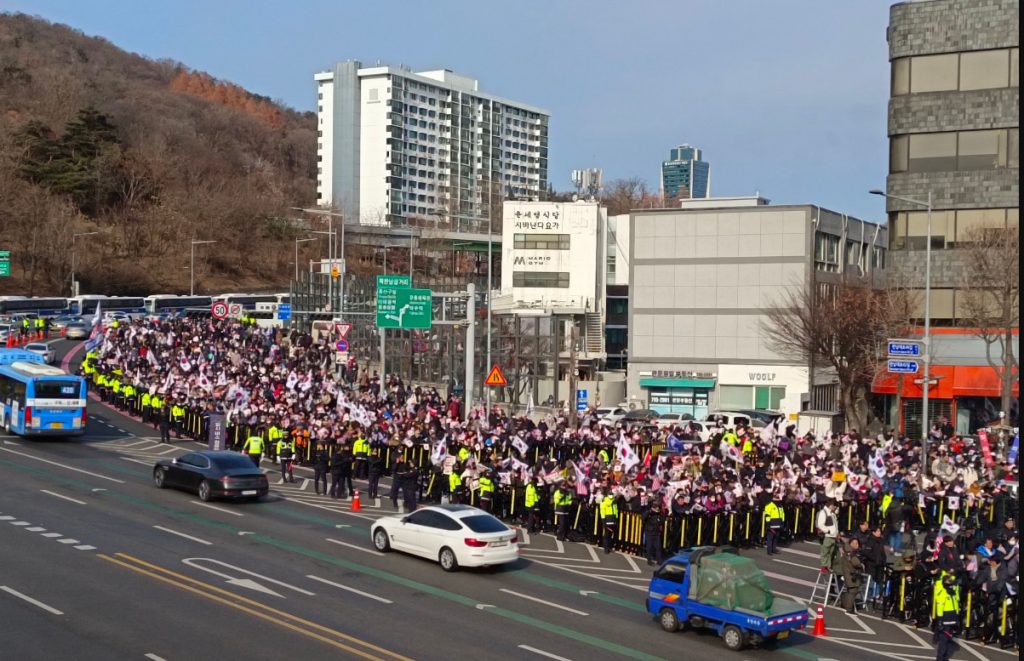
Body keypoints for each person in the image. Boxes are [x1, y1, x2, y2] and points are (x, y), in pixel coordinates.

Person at [932, 573, 960, 661]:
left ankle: (944, 657)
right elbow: (940, 607)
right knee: (943, 640)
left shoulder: (953, 592)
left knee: (948, 639)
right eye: (949, 581)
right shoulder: (943, 593)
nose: (951, 583)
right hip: (946, 619)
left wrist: (957, 617)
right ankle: (940, 658)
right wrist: (940, 621)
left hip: (953, 618)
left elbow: (956, 605)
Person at [840, 538, 864, 614]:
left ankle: (845, 604)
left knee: (850, 590)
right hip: (851, 574)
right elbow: (855, 562)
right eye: (854, 543)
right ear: (850, 543)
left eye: (857, 543)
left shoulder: (847, 550)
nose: (856, 545)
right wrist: (861, 565)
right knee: (853, 591)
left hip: (848, 573)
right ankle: (849, 608)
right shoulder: (851, 552)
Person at [816, 499, 840, 572]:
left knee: (831, 553)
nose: (835, 507)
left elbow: (835, 525)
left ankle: (829, 567)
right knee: (825, 552)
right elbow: (820, 524)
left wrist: (836, 533)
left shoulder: (832, 514)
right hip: (827, 536)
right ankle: (824, 567)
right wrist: (828, 531)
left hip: (833, 536)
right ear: (830, 505)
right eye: (834, 505)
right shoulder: (823, 512)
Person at [643, 501, 665, 566]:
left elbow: (662, 521)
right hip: (649, 532)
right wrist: (650, 512)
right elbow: (643, 518)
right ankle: (649, 560)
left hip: (656, 532)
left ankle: (659, 560)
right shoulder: (649, 513)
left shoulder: (659, 514)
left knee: (658, 547)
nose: (656, 509)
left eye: (657, 508)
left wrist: (660, 513)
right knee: (649, 547)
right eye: (655, 508)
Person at [600, 488, 618, 554]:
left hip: (613, 520)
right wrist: (603, 521)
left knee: (611, 535)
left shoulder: (614, 501)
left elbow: (616, 511)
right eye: (610, 494)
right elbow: (602, 512)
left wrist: (616, 519)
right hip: (607, 520)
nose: (611, 495)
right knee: (606, 535)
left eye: (612, 494)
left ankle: (609, 547)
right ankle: (606, 548)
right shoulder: (605, 502)